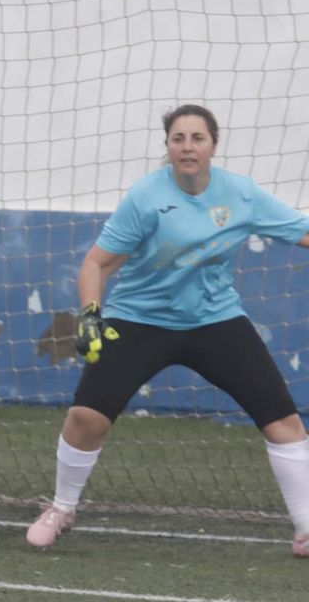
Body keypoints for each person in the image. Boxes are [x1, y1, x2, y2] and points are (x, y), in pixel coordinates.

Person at [27, 103, 309, 554]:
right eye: (178, 139)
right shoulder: (145, 197)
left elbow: (303, 230)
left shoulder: (242, 195)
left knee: (283, 422)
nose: (188, 147)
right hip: (139, 319)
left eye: (197, 138)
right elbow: (96, 262)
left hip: (215, 321)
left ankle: (305, 529)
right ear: (168, 148)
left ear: (213, 145)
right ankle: (62, 507)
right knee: (86, 418)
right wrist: (91, 315)